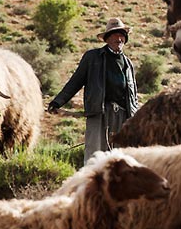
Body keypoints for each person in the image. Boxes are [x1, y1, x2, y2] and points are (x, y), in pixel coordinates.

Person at [48, 17, 138, 163]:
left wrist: (135, 117)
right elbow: (76, 81)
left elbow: (133, 95)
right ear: (107, 38)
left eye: (122, 35)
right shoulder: (93, 57)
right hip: (99, 111)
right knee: (94, 155)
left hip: (123, 115)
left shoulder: (128, 63)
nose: (119, 38)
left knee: (121, 156)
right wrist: (58, 102)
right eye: (115, 34)